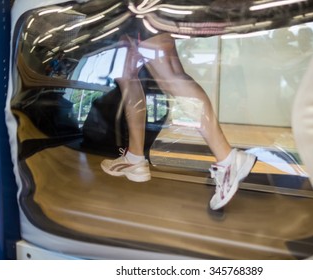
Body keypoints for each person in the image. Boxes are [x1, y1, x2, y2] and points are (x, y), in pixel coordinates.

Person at [100, 16, 257, 210]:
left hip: (142, 8)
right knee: (127, 76)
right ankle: (134, 157)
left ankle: (228, 158)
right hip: (127, 12)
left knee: (169, 75)